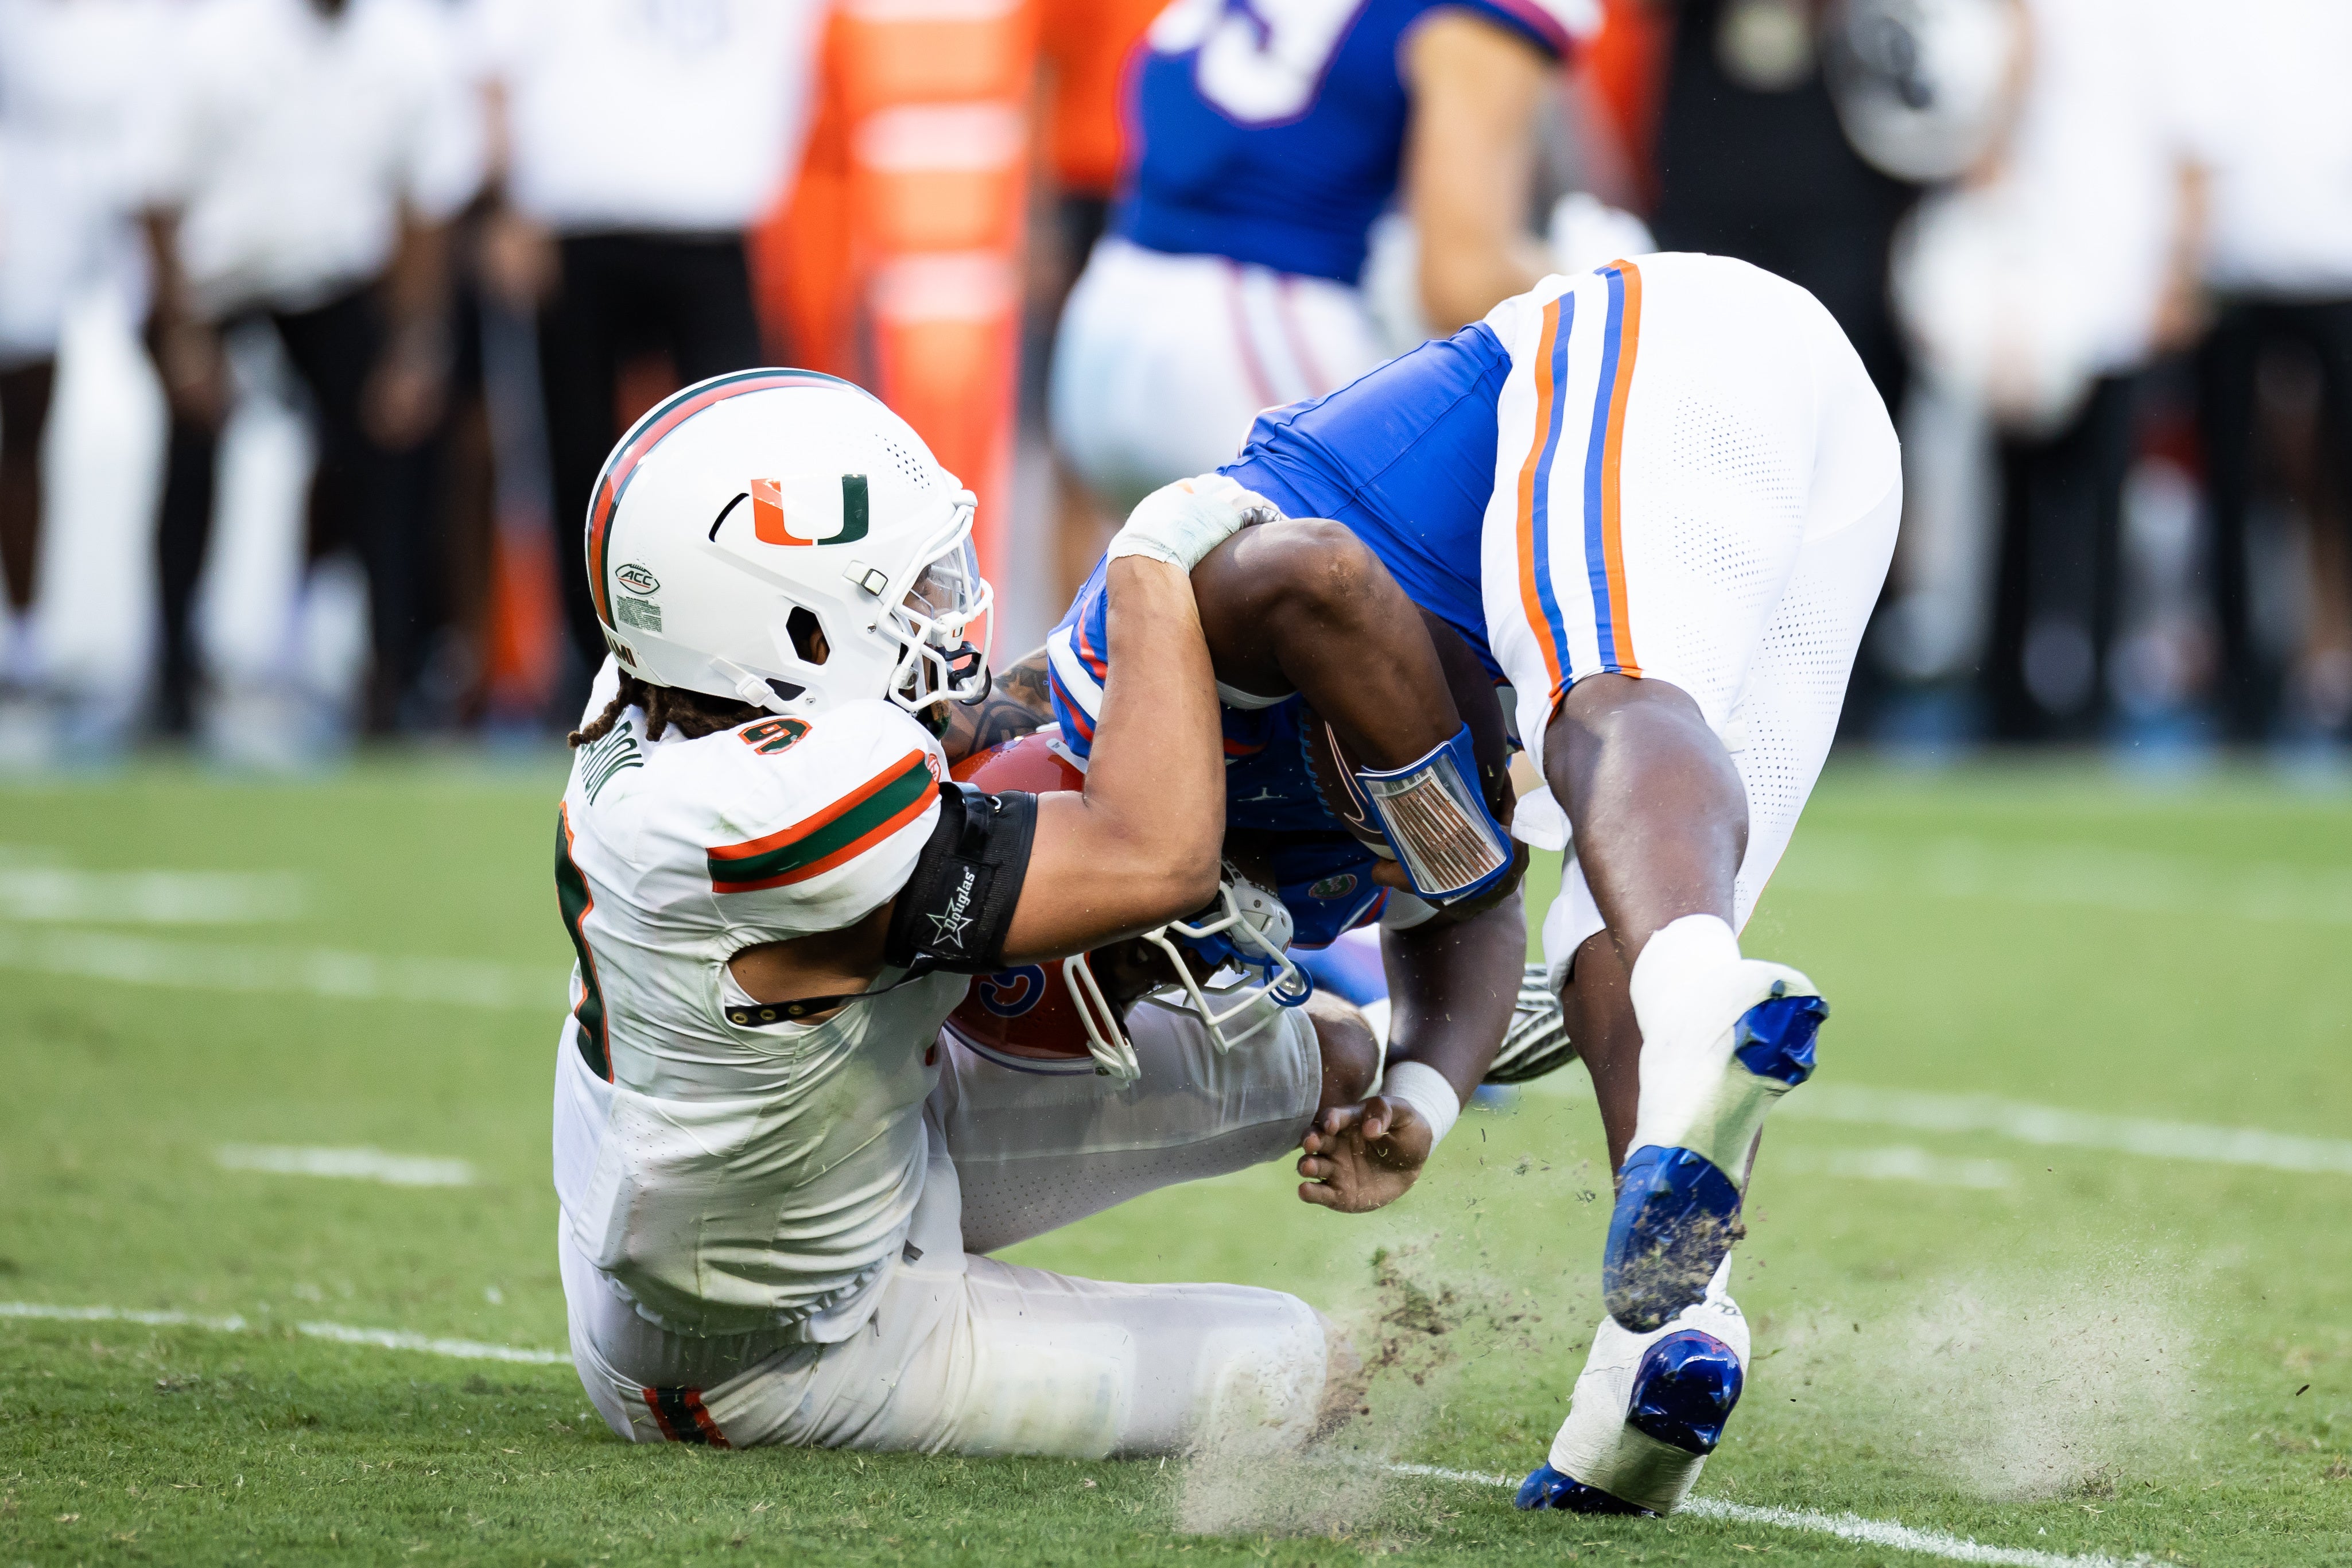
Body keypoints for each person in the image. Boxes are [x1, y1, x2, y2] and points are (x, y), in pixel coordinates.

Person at [1053, 252, 1900, 1513]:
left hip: (1678, 345)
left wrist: (1431, 797)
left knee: (1600, 697)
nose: (1153, 970)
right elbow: (1474, 900)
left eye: (1117, 956)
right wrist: (1425, 1092)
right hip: (1842, 468)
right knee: (1632, 918)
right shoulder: (1231, 864)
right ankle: (1663, 1343)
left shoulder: (1111, 702)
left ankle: (1696, 1003)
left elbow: (1315, 575)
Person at [550, 370, 1360, 1454]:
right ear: (794, 623)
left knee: (1332, 1056)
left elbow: (984, 717)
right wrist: (1150, 568)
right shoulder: (769, 814)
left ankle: (1475, 1038)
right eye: (908, 590)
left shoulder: (689, 692)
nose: (947, 609)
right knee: (1303, 1368)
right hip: (771, 1350)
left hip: (851, 1149)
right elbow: (1155, 855)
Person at [1049, 0, 1601, 534]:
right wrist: (1605, 282)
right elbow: (1460, 278)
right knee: (1431, 584)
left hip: (1104, 315)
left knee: (1137, 605)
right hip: (1258, 331)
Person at [138, 0, 481, 736]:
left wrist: (415, 346)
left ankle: (389, 675)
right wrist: (182, 334)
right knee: (189, 453)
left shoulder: (410, 44)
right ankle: (172, 678)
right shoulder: (214, 38)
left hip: (335, 279)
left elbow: (429, 199)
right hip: (218, 282)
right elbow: (158, 193)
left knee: (392, 448)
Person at [472, 0, 826, 696]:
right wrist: (506, 202)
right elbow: (495, 64)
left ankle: (741, 660)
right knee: (580, 459)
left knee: (742, 467)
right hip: (579, 223)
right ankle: (593, 661)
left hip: (714, 224)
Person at [0, 0, 166, 707]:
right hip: (25, 200)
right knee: (24, 425)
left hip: (139, 196)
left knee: (184, 403)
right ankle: (22, 640)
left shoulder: (147, 27)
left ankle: (170, 654)